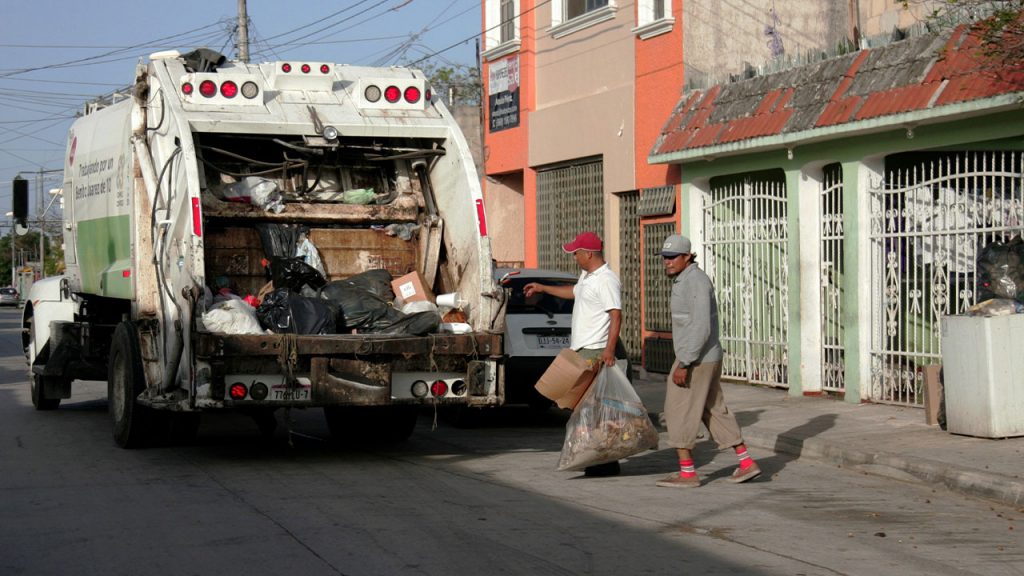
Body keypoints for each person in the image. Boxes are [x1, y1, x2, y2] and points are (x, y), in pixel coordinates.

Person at [656, 234, 761, 488]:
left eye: (672, 257)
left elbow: (701, 327)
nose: (667, 262)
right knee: (712, 409)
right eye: (665, 257)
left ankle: (687, 473)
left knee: (677, 411)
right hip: (702, 357)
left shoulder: (695, 281)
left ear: (687, 257)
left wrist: (684, 363)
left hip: (696, 359)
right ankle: (746, 463)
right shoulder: (686, 279)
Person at [524, 231, 630, 477]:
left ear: (589, 254)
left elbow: (616, 315)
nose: (574, 257)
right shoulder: (587, 276)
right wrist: (543, 288)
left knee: (593, 408)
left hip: (596, 351)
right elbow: (574, 292)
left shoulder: (606, 280)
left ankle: (604, 462)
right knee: (585, 407)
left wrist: (609, 350)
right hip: (582, 349)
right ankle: (598, 459)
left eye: (576, 253)